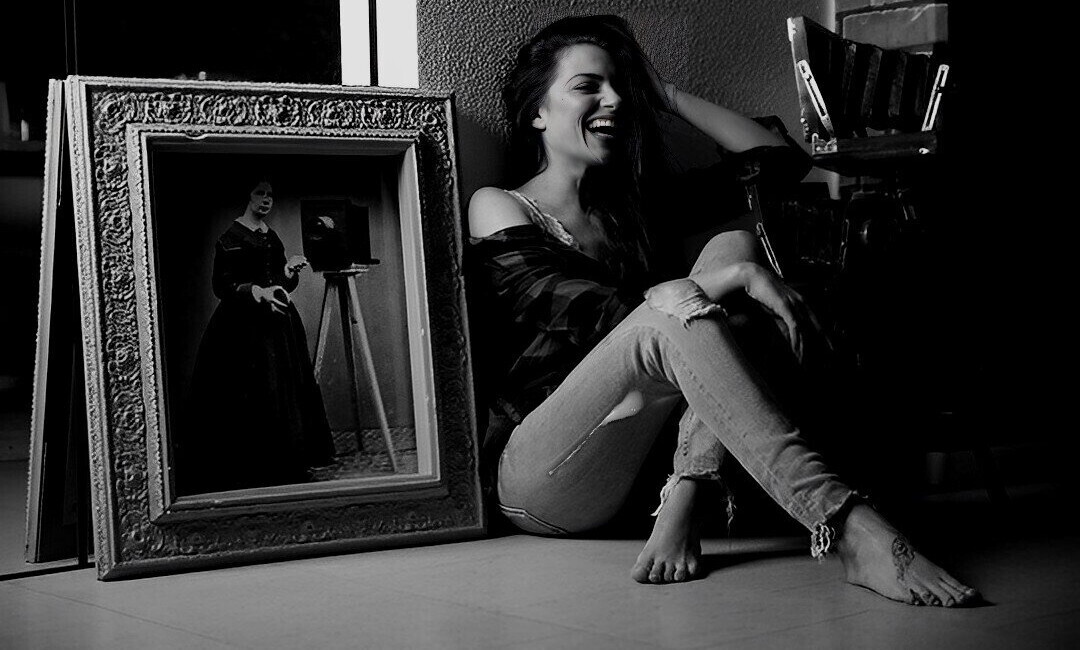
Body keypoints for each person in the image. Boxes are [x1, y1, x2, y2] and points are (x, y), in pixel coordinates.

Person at [467, 15, 979, 606]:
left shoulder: (635, 210)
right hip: (543, 479)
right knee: (684, 301)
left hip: (635, 475)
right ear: (537, 112)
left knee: (731, 245)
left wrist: (662, 91)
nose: (614, 100)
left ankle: (687, 488)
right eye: (587, 87)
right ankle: (845, 522)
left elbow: (778, 160)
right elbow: (591, 314)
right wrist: (733, 279)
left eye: (619, 88)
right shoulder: (499, 205)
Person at [178, 180, 336, 494]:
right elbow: (222, 286)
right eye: (259, 193)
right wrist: (256, 291)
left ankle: (289, 461)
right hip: (243, 327)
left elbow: (279, 282)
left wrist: (288, 272)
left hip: (278, 324)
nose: (266, 200)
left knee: (284, 389)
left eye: (270, 195)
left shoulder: (270, 235)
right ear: (247, 196)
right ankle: (256, 467)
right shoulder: (230, 237)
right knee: (253, 391)